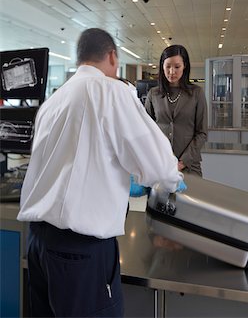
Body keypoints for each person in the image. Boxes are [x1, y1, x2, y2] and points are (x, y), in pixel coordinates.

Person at [17, 28, 184, 318]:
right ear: (111, 56)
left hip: (38, 245)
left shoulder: (53, 102)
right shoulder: (112, 91)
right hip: (79, 251)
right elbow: (157, 162)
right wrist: (172, 179)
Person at [145, 44, 207, 177]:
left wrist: (181, 163)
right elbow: (146, 130)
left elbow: (202, 133)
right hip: (160, 165)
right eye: (168, 66)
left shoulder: (196, 93)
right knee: (160, 198)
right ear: (162, 66)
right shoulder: (153, 94)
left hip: (189, 166)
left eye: (177, 67)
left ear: (184, 66)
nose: (172, 71)